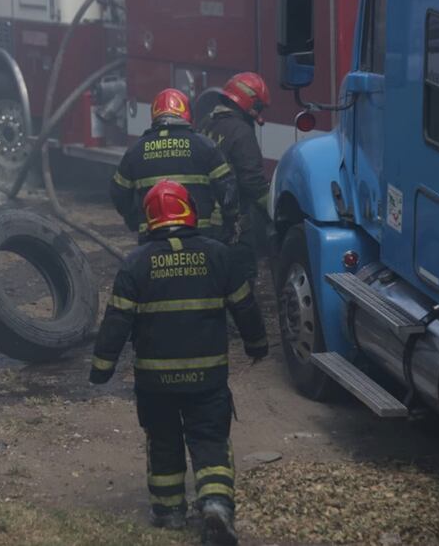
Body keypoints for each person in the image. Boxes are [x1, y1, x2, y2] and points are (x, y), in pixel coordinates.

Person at [89, 180, 268, 546]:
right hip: (208, 378)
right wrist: (257, 344)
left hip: (156, 383)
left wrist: (101, 369)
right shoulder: (220, 256)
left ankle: (169, 512)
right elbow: (245, 307)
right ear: (190, 211)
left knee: (164, 441)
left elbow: (116, 323)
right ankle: (216, 504)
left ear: (149, 218)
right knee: (211, 440)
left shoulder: (135, 264)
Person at [110, 88, 239, 243]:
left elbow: (118, 193)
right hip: (199, 235)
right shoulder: (205, 146)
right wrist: (227, 223)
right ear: (187, 113)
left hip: (152, 236)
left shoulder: (135, 151)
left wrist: (134, 220)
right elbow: (227, 189)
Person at [197, 72, 272, 284]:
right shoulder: (241, 132)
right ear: (249, 102)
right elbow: (253, 182)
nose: (259, 116)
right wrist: (274, 208)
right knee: (239, 285)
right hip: (232, 228)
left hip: (201, 222)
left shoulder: (205, 124)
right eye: (259, 108)